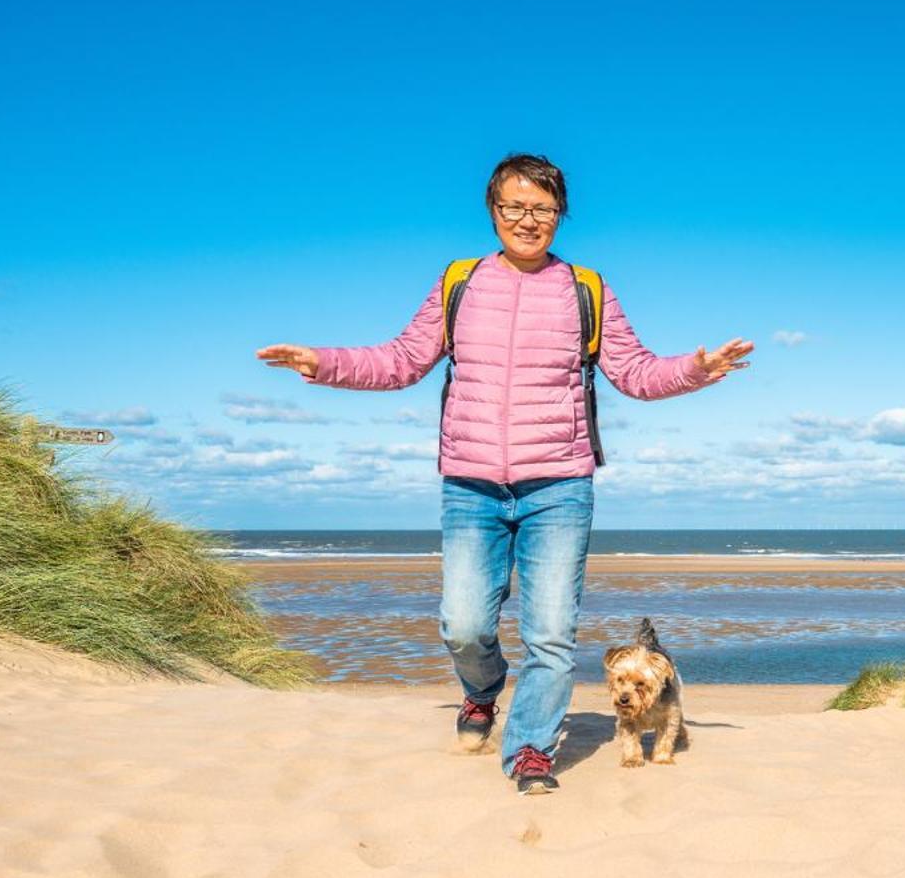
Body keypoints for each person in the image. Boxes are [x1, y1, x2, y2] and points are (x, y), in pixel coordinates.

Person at [257, 154, 751, 794]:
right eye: (514, 207)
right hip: (470, 484)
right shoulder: (460, 282)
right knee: (463, 626)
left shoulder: (587, 289)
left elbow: (635, 373)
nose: (528, 220)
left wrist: (697, 368)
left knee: (549, 637)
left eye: (542, 209)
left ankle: (529, 753)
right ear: (493, 211)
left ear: (560, 215)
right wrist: (322, 362)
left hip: (560, 486)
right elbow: (402, 360)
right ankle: (482, 692)